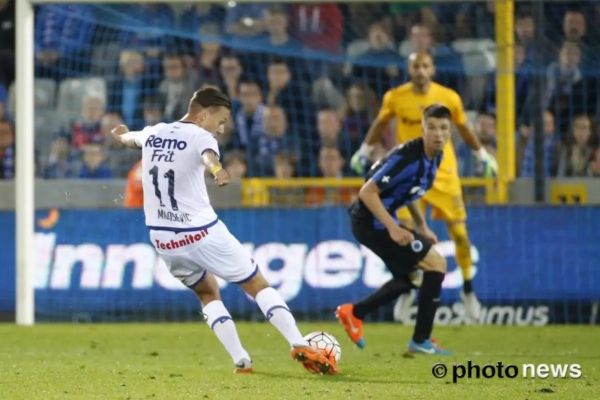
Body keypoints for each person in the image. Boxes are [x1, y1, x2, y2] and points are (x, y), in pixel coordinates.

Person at [109, 88, 337, 375]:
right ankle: (299, 343)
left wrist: (121, 135)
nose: (221, 128)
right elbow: (208, 156)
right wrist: (217, 170)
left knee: (207, 293)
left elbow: (132, 139)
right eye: (221, 120)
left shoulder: (155, 131)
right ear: (204, 114)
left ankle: (241, 360)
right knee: (256, 283)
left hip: (162, 238)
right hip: (200, 232)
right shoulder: (200, 136)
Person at [349, 52, 497, 323]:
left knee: (460, 235)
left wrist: (481, 155)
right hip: (406, 175)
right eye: (416, 66)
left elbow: (463, 127)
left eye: (425, 65)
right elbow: (380, 123)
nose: (420, 70)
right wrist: (365, 149)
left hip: (444, 175)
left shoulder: (449, 97)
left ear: (433, 69)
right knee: (403, 235)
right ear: (409, 70)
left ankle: (468, 289)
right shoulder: (395, 97)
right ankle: (407, 288)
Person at [337, 104, 452, 355]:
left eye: (443, 128)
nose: (438, 134)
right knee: (436, 263)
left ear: (449, 131)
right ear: (422, 129)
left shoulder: (435, 156)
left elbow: (409, 191)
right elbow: (367, 192)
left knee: (413, 277)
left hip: (377, 222)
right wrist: (392, 227)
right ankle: (420, 341)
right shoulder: (407, 158)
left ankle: (355, 313)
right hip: (371, 223)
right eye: (432, 127)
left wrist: (421, 225)